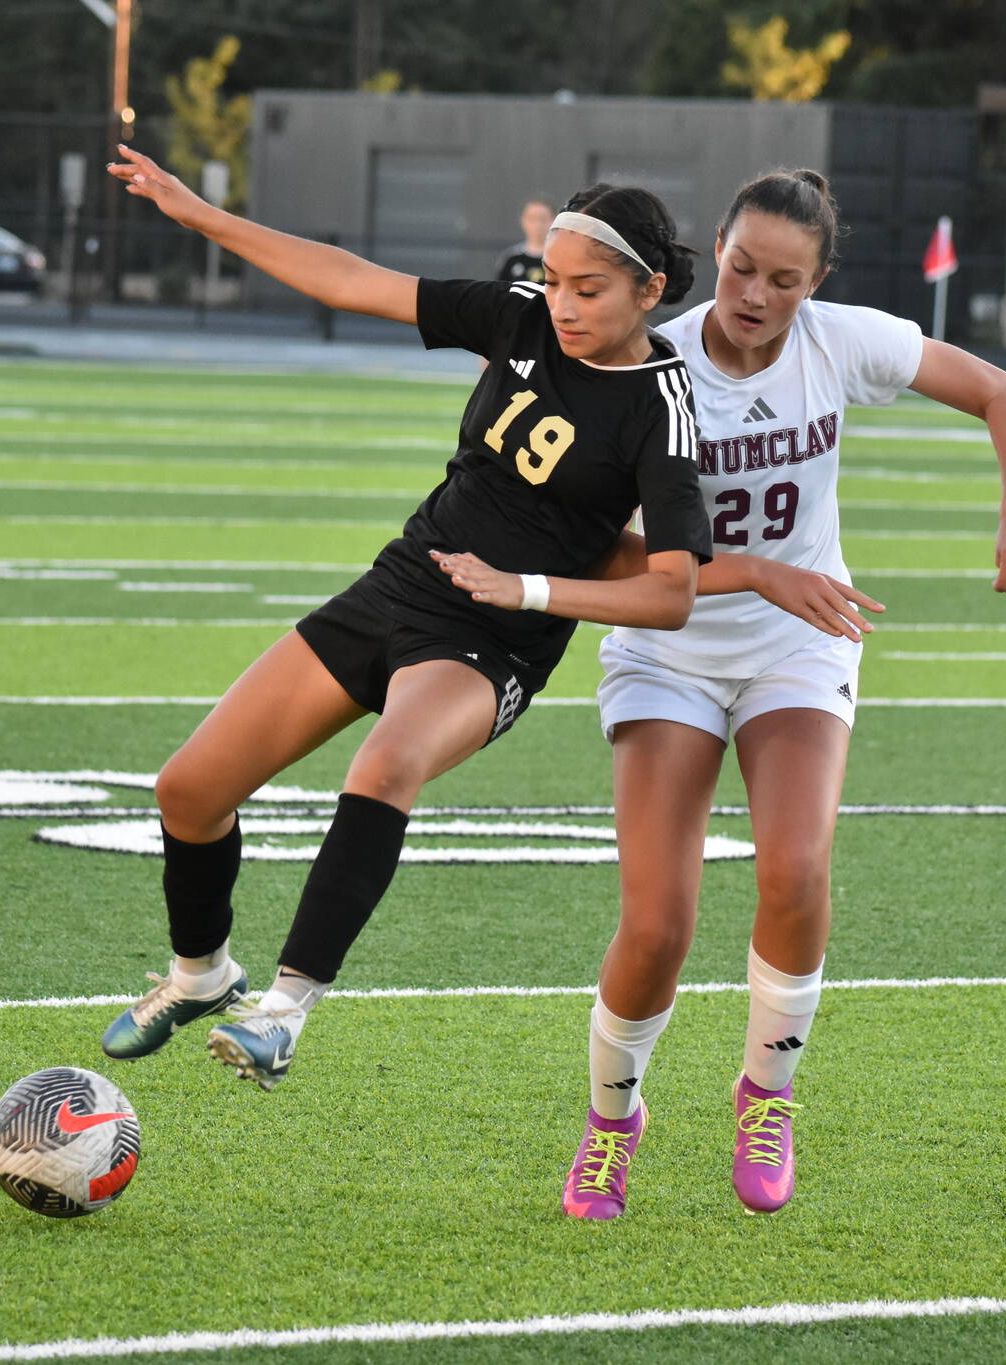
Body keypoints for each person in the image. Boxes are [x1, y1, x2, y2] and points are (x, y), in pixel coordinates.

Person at [443, 170, 1006, 1219]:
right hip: (665, 651)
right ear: (711, 249)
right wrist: (758, 569)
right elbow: (619, 558)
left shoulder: (842, 343)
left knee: (797, 869)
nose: (756, 293)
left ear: (815, 283)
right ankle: (609, 1124)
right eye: (739, 267)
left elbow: (1004, 394)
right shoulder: (649, 366)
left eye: (783, 278)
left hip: (794, 652)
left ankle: (765, 1097)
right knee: (656, 928)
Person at [96, 143, 712, 1092]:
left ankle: (286, 1013)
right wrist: (204, 217)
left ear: (649, 289)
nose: (563, 304)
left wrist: (528, 591)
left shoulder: (663, 407)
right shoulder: (519, 320)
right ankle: (201, 974)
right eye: (552, 281)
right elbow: (351, 280)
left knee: (385, 764)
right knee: (188, 790)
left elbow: (671, 590)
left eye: (588, 289)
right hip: (399, 584)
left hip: (490, 640)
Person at [495, 198, 553, 285]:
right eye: (532, 218)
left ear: (554, 220)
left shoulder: (560, 259)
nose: (537, 225)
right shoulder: (511, 259)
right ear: (522, 220)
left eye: (543, 219)